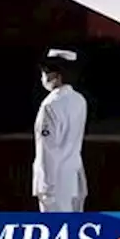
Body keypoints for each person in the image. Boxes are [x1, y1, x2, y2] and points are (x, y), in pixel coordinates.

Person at [33, 48, 89, 212]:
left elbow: (48, 149)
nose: (42, 77)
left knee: (57, 232)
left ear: (56, 76)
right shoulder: (79, 100)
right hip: (74, 178)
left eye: (45, 72)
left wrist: (47, 186)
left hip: (55, 183)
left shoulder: (51, 104)